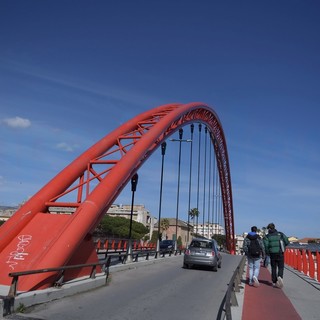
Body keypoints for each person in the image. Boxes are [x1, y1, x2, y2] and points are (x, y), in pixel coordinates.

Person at [263, 222, 289, 288]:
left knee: (273, 267)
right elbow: (287, 241)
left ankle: (274, 281)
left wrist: (268, 252)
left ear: (268, 229)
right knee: (281, 267)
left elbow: (266, 245)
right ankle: (280, 277)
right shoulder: (280, 234)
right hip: (280, 252)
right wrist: (283, 247)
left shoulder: (267, 236)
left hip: (272, 253)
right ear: (274, 227)